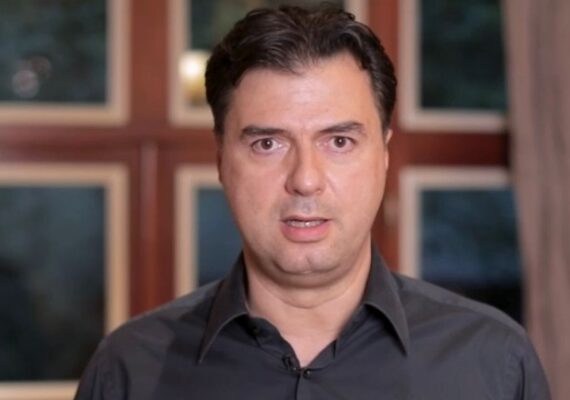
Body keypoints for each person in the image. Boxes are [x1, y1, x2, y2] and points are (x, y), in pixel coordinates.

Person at [75, 5, 550, 399]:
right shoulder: (128, 371)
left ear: (384, 155)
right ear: (221, 162)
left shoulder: (494, 364)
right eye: (268, 144)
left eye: (339, 142)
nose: (305, 180)